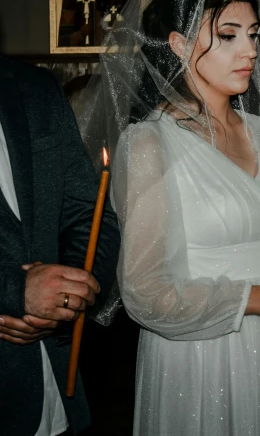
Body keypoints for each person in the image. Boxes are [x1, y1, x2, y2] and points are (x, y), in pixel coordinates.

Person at [78, 0, 260, 435]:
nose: (249, 51)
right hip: (201, 353)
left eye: (254, 34)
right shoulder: (150, 143)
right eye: (227, 35)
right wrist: (258, 298)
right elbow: (143, 293)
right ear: (178, 44)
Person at [0, 55, 121, 435]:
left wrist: (66, 299)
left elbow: (90, 215)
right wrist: (14, 293)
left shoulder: (34, 87)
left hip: (53, 386)